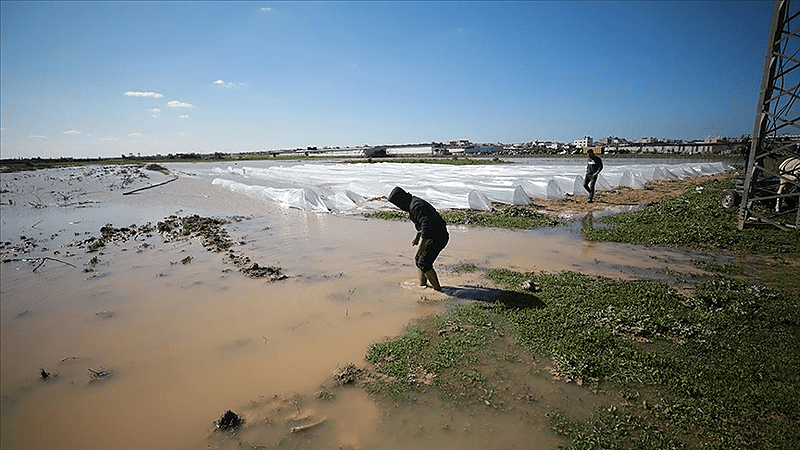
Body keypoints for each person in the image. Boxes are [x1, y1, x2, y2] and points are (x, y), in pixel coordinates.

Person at [388, 186, 449, 291]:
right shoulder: (413, 204)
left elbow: (426, 223)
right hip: (434, 235)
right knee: (419, 260)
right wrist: (417, 236)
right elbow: (422, 223)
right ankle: (423, 286)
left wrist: (422, 244)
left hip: (438, 237)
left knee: (424, 263)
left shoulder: (416, 206)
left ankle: (439, 291)